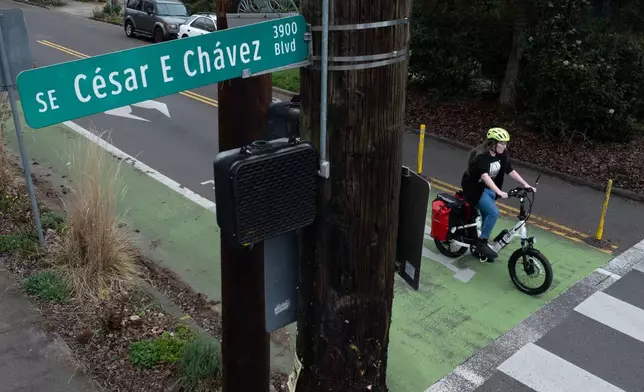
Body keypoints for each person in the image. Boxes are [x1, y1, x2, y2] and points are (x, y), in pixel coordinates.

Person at [461, 127, 536, 260]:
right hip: (475, 189)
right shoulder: (481, 156)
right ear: (492, 143)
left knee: (487, 215)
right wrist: (499, 192)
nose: (504, 146)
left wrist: (525, 184)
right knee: (493, 212)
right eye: (502, 143)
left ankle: (480, 245)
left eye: (506, 143)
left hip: (489, 189)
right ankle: (481, 243)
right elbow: (484, 176)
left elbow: (510, 170)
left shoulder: (501, 155)